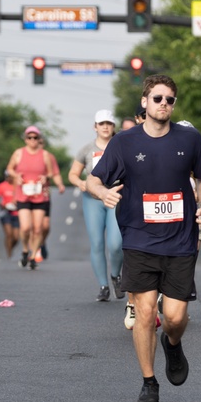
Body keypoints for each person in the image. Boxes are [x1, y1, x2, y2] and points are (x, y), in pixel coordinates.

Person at [87, 74, 201, 402]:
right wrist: (102, 193)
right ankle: (148, 381)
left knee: (173, 317)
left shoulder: (190, 138)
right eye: (157, 98)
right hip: (139, 238)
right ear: (144, 102)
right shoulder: (124, 143)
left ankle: (173, 344)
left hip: (180, 241)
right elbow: (93, 179)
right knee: (144, 313)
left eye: (169, 100)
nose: (163, 104)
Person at [69, 109, 125, 302]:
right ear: (95, 127)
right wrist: (81, 183)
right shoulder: (86, 149)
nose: (105, 127)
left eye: (109, 124)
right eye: (101, 124)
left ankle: (115, 275)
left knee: (116, 244)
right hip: (93, 200)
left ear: (113, 126)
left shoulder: (121, 146)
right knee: (97, 243)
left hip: (115, 197)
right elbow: (73, 174)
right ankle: (103, 285)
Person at [5, 125, 65, 269]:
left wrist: (46, 178)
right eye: (29, 137)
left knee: (38, 228)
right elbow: (9, 169)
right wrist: (16, 176)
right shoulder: (18, 153)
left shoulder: (45, 155)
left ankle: (33, 256)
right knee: (25, 228)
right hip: (23, 195)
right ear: (25, 139)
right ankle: (25, 249)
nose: (32, 140)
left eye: (35, 137)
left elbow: (51, 172)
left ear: (39, 139)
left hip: (40, 195)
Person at [0, 171, 20, 259]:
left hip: (17, 213)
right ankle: (9, 255)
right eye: (8, 177)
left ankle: (11, 247)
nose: (9, 178)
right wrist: (2, 205)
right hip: (5, 213)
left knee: (16, 237)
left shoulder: (18, 186)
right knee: (9, 234)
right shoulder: (2, 186)